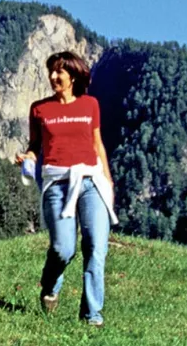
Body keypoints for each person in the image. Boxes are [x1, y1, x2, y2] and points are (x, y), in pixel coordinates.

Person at [14, 50, 116, 326]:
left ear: (73, 75)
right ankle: (49, 286)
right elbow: (35, 146)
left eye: (59, 71)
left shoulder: (90, 105)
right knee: (63, 248)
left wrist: (107, 181)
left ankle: (91, 315)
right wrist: (28, 157)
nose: (53, 76)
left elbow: (97, 144)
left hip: (91, 181)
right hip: (57, 184)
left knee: (96, 247)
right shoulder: (40, 109)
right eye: (50, 71)